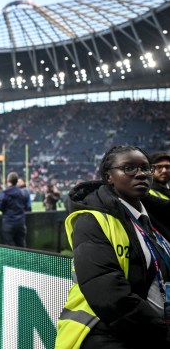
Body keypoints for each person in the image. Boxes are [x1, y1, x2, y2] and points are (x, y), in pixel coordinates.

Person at [56, 145, 170, 348]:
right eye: (129, 168)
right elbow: (109, 296)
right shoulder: (91, 221)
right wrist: (161, 332)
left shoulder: (154, 218)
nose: (141, 174)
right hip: (101, 329)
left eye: (145, 168)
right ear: (109, 177)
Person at [0, 172, 27, 247]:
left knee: (8, 246)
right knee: (21, 245)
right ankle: (22, 259)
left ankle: (10, 259)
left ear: (8, 181)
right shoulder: (22, 193)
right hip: (21, 223)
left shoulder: (5, 193)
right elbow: (25, 205)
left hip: (8, 222)